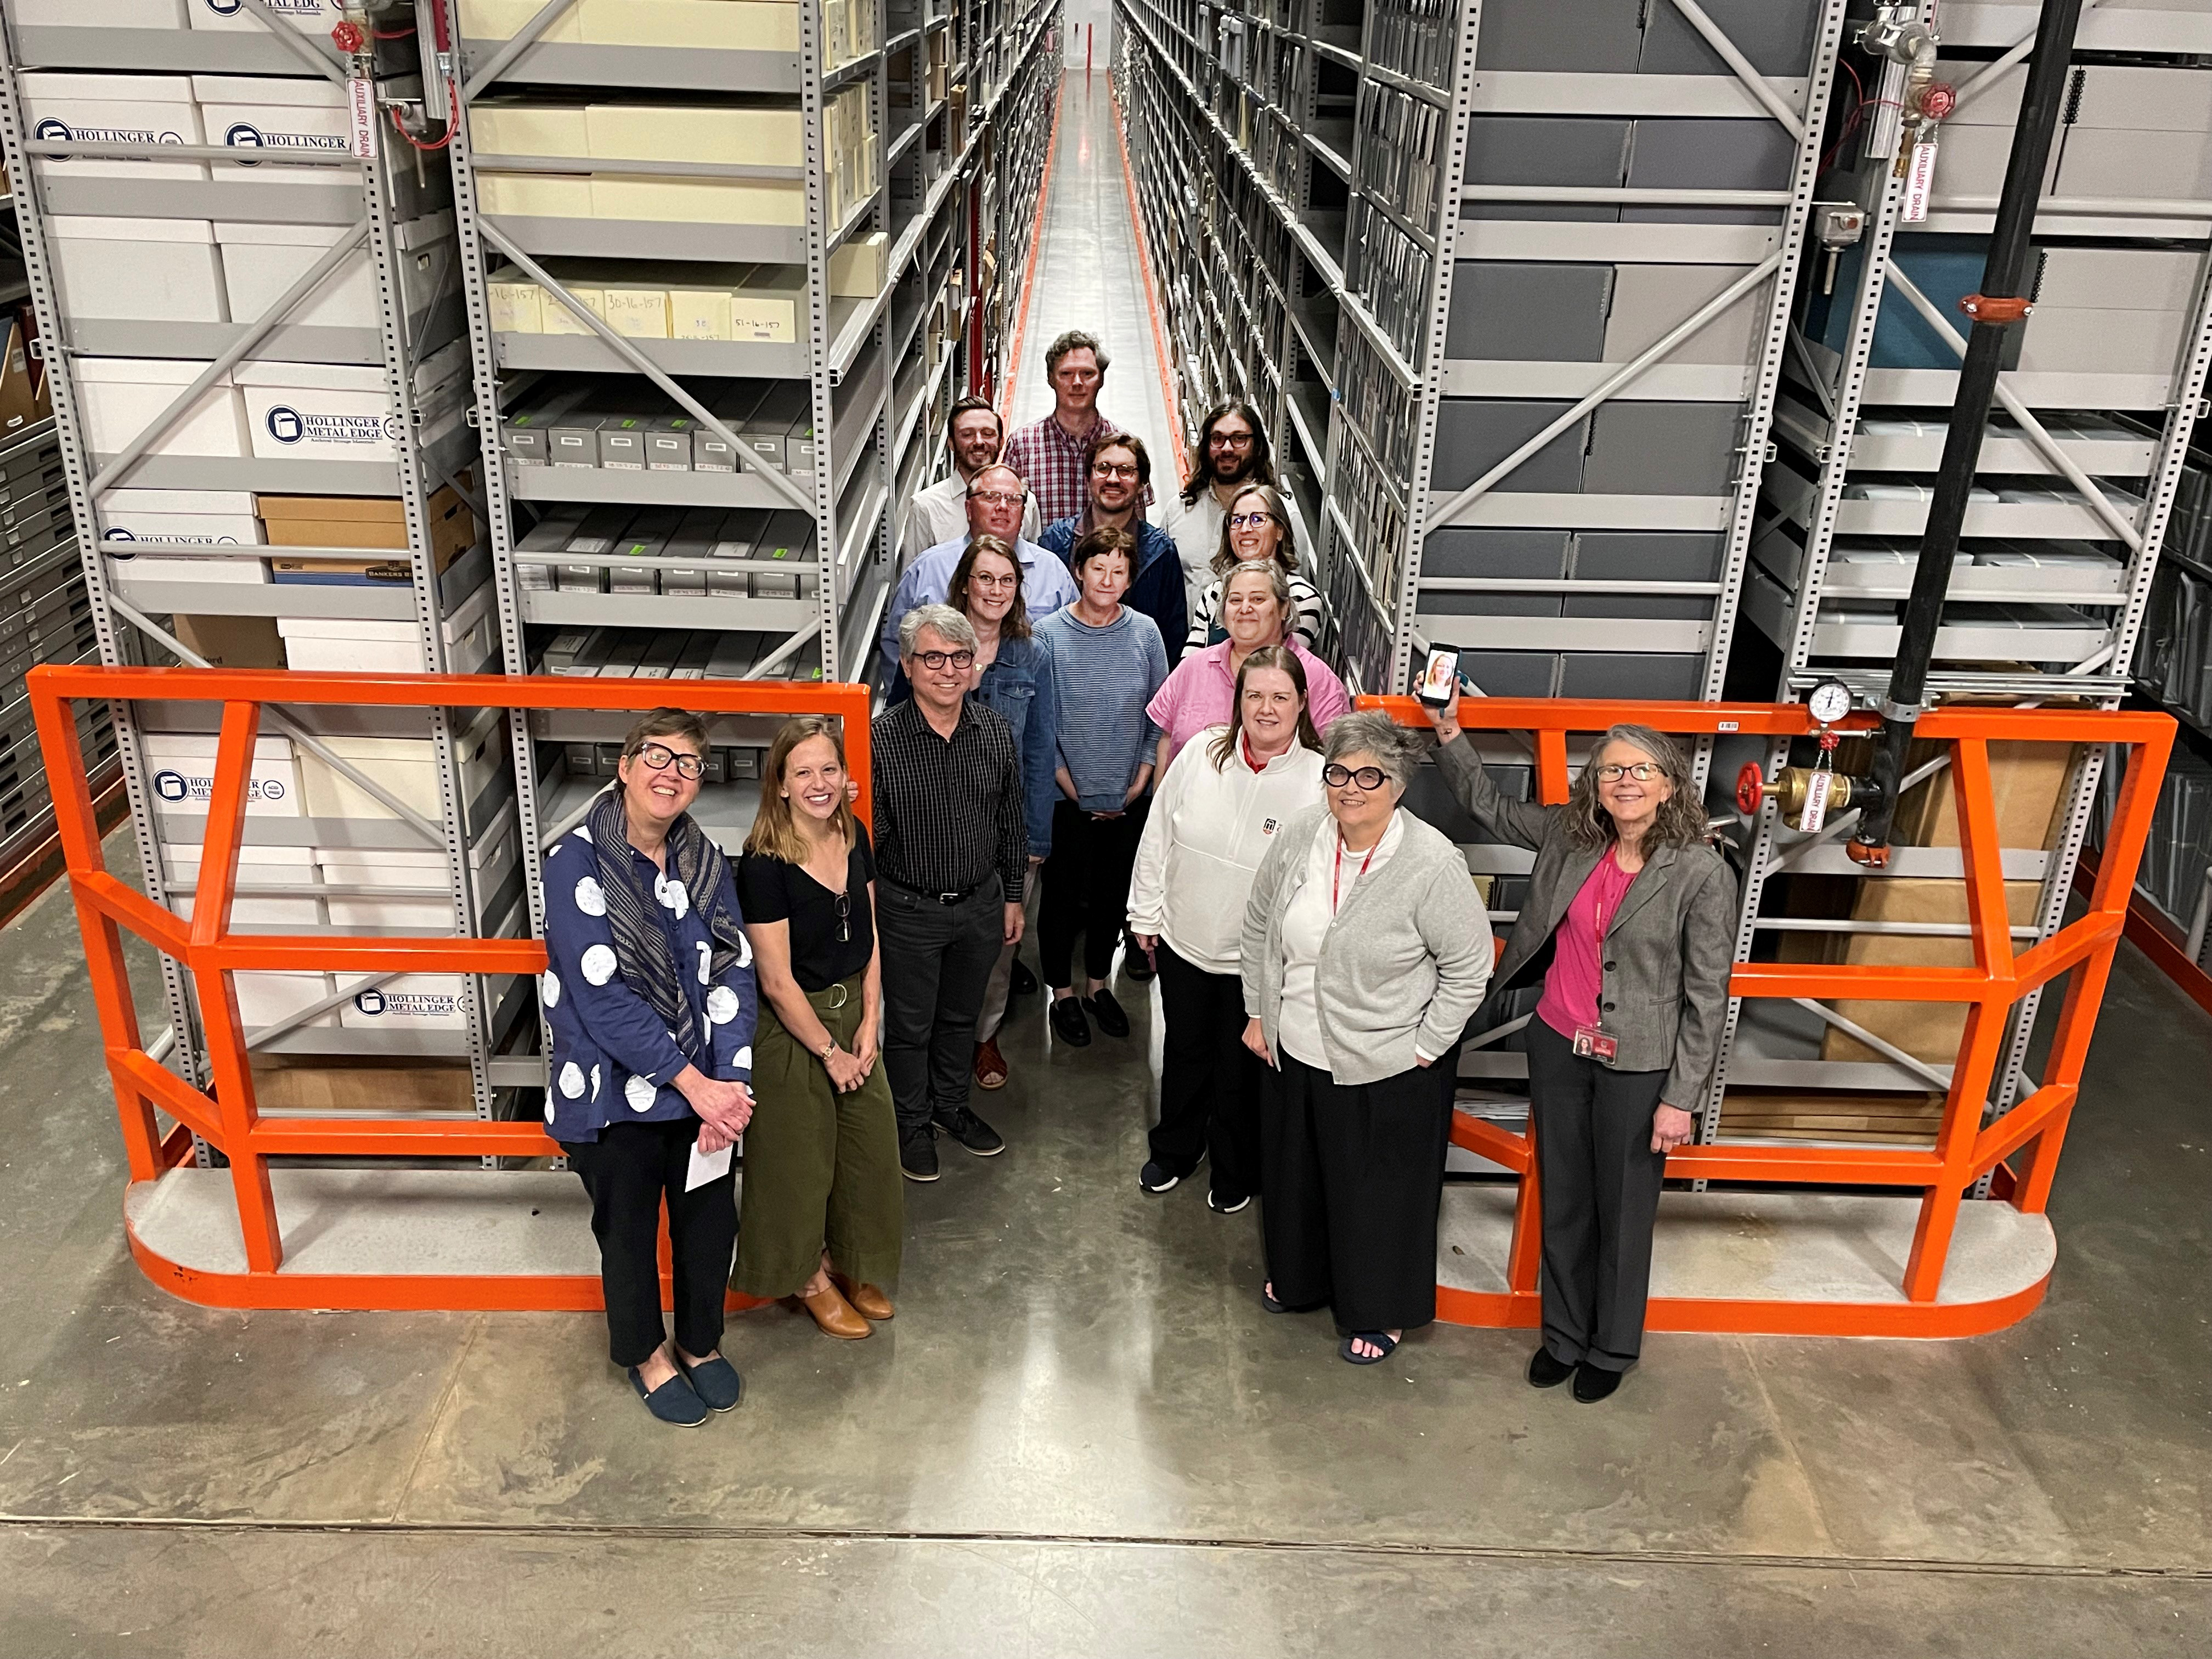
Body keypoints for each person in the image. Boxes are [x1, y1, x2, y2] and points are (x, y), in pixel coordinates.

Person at [1431, 697, 1735, 1403]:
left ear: (1668, 782)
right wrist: (1450, 731)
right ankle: (1563, 1337)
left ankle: (1613, 1344)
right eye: (1609, 770)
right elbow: (1490, 808)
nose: (1624, 781)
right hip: (1560, 1046)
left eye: (1641, 769)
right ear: (1594, 783)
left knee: (1624, 1209)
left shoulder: (1699, 872)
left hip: (1641, 1065)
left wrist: (1680, 1099)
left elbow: (1708, 995)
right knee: (1565, 1196)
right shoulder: (1572, 838)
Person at [1240, 712, 1491, 1367]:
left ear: (1399, 785)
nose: (1350, 788)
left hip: (1387, 1062)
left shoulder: (1432, 862)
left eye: (1369, 775)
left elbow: (1469, 968)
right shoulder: (1303, 835)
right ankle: (1300, 1281)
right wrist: (1260, 1012)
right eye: (1338, 772)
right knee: (1299, 1178)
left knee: (1376, 1196)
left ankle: (1377, 1309)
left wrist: (1424, 1047)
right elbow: (1262, 921)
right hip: (1295, 1045)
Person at [543, 709, 757, 1427]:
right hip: (615, 1094)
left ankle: (699, 1343)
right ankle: (648, 1354)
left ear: (698, 784)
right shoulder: (576, 861)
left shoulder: (706, 863)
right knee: (629, 1233)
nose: (671, 773)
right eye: (656, 757)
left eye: (688, 764)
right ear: (625, 766)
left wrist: (731, 1083)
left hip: (704, 1092)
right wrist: (698, 1084)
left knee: (706, 1226)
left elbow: (734, 968)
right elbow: (600, 996)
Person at [1128, 646, 1325, 1213]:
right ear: (1238, 700)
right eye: (1255, 695)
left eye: (1280, 697)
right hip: (1186, 939)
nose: (1266, 709)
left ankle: (1235, 1166)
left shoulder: (1317, 782)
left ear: (1302, 704)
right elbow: (1158, 834)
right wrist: (1145, 913)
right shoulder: (1202, 755)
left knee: (1241, 1071)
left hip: (1258, 962)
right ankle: (1175, 1150)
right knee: (1185, 1053)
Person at [732, 717, 902, 1340]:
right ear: (779, 784)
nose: (819, 782)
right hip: (794, 1026)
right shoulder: (764, 865)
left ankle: (851, 1260)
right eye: (802, 771)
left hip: (853, 1011)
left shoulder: (853, 833)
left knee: (868, 1149)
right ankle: (808, 1280)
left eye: (829, 769)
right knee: (798, 1162)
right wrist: (831, 1052)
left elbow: (871, 930)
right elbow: (775, 981)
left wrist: (871, 1017)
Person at [894, 535, 1059, 1094]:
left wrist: (1035, 836)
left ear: (1018, 590)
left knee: (996, 953)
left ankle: (982, 1035)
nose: (995, 590)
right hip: (934, 825)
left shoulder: (1032, 655)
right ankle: (932, 1049)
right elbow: (896, 724)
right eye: (984, 578)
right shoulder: (930, 640)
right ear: (965, 581)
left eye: (1006, 580)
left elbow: (1039, 749)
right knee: (927, 954)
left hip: (1003, 827)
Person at [873, 604, 1028, 1181]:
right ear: (909, 666)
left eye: (959, 658)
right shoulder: (881, 740)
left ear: (974, 667)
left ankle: (950, 1106)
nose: (947, 671)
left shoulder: (993, 732)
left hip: (980, 906)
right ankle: (911, 1123)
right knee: (911, 1027)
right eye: (933, 658)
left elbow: (1012, 821)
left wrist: (1012, 896)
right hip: (908, 910)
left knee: (962, 1019)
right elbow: (871, 837)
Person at [1034, 526, 1168, 1047]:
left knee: (1113, 898)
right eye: (1098, 568)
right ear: (1078, 571)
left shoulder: (1146, 633)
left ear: (1130, 579)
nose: (1108, 579)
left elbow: (1157, 713)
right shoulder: (1048, 634)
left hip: (1128, 795)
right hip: (1067, 797)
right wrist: (1070, 786)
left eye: (1120, 571)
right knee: (1062, 900)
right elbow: (1044, 722)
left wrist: (1140, 780)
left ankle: (1096, 986)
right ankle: (1063, 995)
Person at [1148, 558, 1350, 771]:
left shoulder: (1318, 680)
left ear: (1284, 609)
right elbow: (1167, 741)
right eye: (1235, 600)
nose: (1245, 608)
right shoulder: (1193, 668)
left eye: (1258, 599)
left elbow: (1336, 762)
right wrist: (1161, 803)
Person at [881, 464, 1075, 667]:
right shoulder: (928, 568)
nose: (1002, 506)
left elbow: (1074, 642)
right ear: (969, 509)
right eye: (990, 497)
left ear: (1023, 512)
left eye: (1013, 500)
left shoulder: (1053, 571)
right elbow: (897, 644)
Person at [1037, 431, 1187, 661]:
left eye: (1126, 471)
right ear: (1088, 477)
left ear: (1142, 484)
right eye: (1104, 468)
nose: (1113, 479)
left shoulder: (1160, 553)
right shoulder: (1055, 543)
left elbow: (1173, 637)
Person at [1163, 400, 1312, 617]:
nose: (1227, 448)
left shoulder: (1284, 515)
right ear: (1206, 447)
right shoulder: (1179, 509)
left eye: (1239, 439)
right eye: (1217, 439)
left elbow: (1297, 596)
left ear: (1257, 446)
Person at [1003, 329, 1147, 524]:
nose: (1077, 383)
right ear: (1051, 379)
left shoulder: (1126, 449)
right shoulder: (1022, 446)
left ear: (1101, 379)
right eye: (1067, 374)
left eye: (1088, 374)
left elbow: (1138, 529)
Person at [1182, 482, 1323, 656]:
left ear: (1279, 530)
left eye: (1257, 519)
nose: (1245, 529)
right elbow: (1189, 665)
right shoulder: (1214, 593)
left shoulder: (1302, 597)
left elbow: (1283, 666)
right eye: (1237, 520)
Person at [902, 393, 1041, 567]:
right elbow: (912, 578)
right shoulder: (927, 508)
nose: (979, 442)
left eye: (988, 433)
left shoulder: (1024, 502)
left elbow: (1034, 566)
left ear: (1001, 441)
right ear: (951, 443)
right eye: (967, 434)